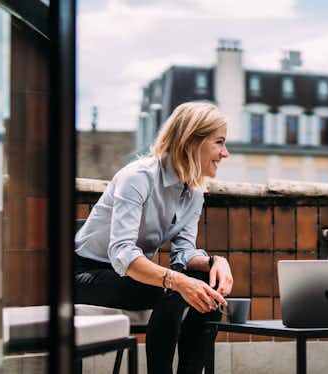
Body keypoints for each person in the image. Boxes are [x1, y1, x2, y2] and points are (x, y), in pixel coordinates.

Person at [74, 102, 233, 374]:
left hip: (129, 277)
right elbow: (123, 252)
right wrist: (179, 281)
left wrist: (214, 262)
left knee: (210, 291)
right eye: (219, 142)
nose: (225, 153)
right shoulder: (137, 177)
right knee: (172, 290)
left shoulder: (194, 192)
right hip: (85, 274)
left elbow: (183, 253)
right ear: (191, 141)